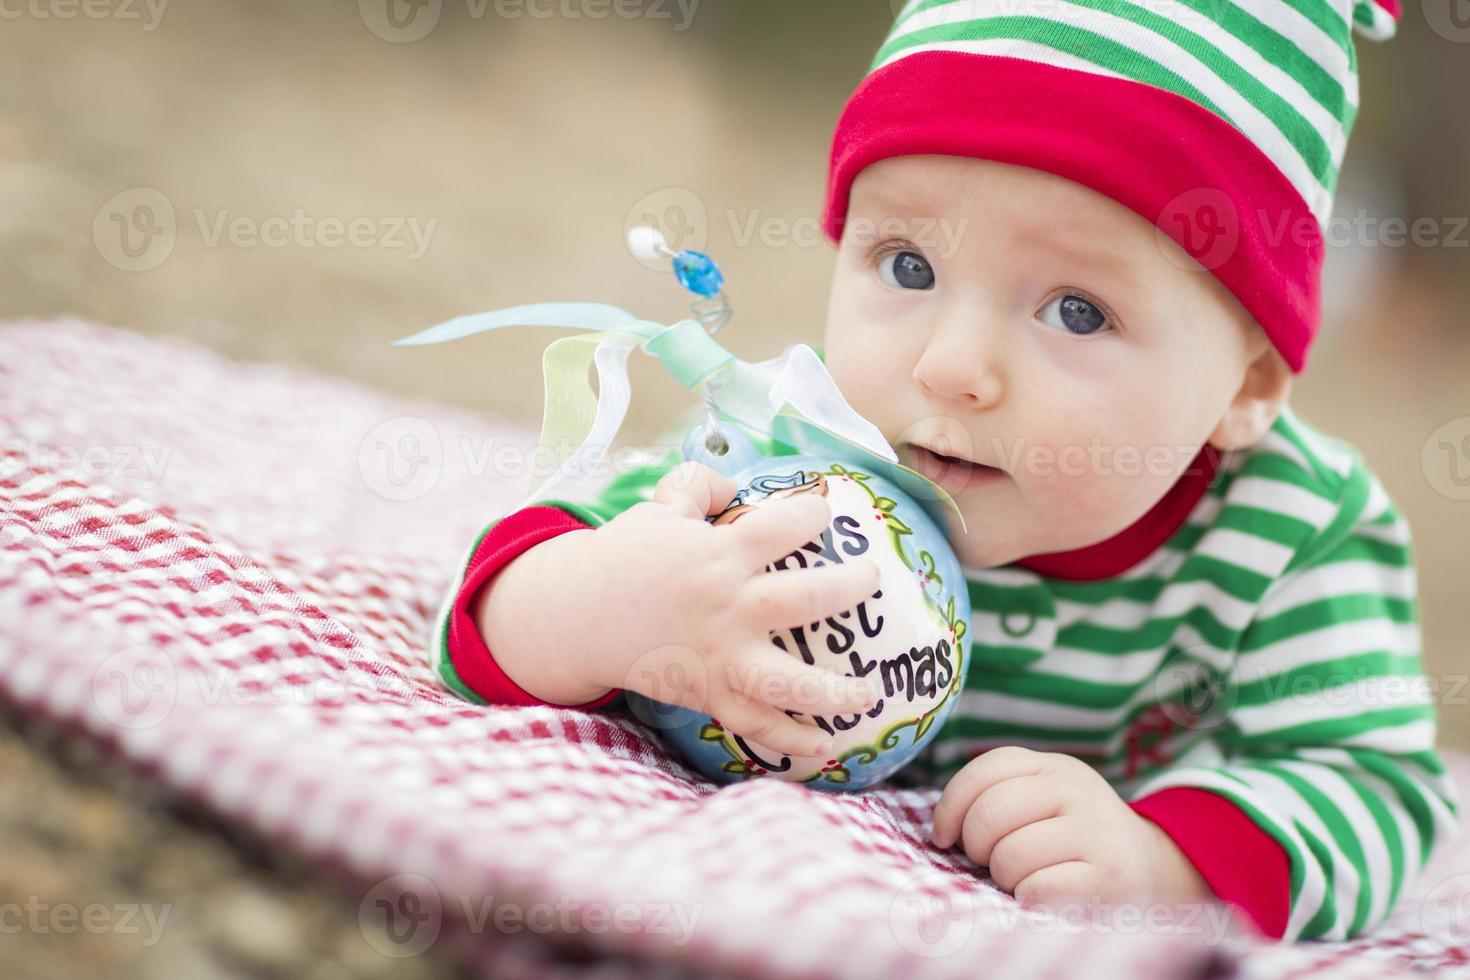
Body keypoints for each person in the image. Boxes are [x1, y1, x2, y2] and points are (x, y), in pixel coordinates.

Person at [426, 0, 1458, 941]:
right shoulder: (802, 451)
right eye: (909, 267)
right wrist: (607, 605)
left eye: (1078, 310)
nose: (951, 367)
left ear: (1247, 386)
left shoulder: (1290, 530)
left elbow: (1375, 782)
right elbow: (490, 604)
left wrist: (1167, 859)